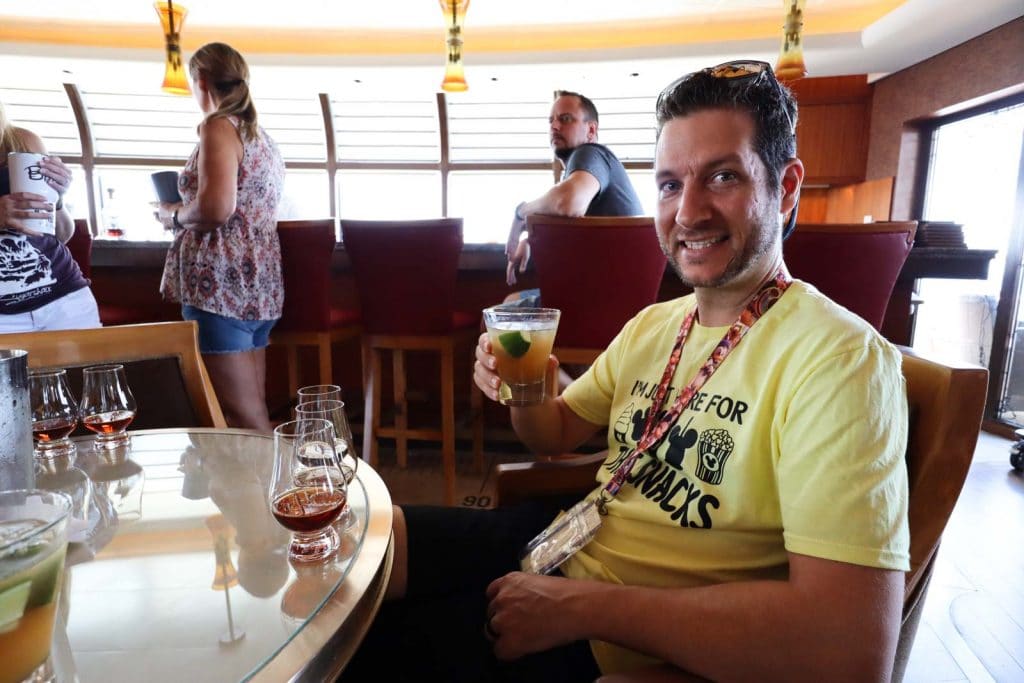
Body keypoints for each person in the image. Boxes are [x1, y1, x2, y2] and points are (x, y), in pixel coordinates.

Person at [346, 60, 909, 683]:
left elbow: (851, 652)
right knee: (364, 553)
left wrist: (586, 610)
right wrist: (528, 385)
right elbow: (553, 434)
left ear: (788, 187)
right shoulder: (655, 326)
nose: (688, 212)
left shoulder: (838, 360)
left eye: (722, 176)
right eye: (670, 185)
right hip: (561, 540)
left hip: (623, 641)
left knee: (367, 659)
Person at [157, 42, 285, 433]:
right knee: (248, 414)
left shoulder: (217, 125)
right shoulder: (259, 135)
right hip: (258, 286)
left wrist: (173, 214)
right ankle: (258, 493)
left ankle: (275, 493)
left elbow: (215, 209)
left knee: (243, 417)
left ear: (201, 80)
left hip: (220, 287)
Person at [505, 90, 644, 300]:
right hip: (613, 300)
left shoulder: (590, 153)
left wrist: (520, 212)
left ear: (591, 130)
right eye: (551, 120)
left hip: (596, 299)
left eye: (565, 119)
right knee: (511, 302)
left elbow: (569, 202)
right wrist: (534, 241)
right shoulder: (586, 172)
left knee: (496, 317)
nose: (554, 126)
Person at [0, 100, 100, 333]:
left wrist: (57, 198)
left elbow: (62, 234)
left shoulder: (23, 141)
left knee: (88, 370)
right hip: (4, 319)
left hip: (66, 299)